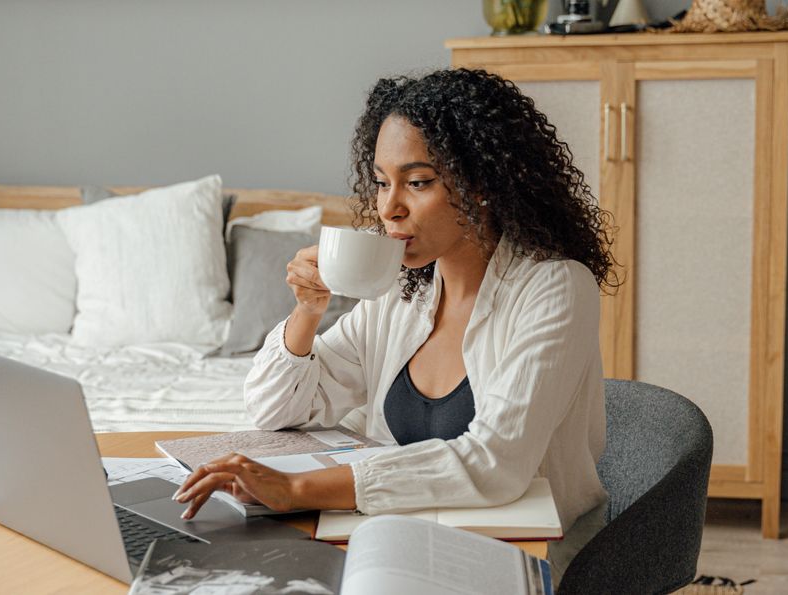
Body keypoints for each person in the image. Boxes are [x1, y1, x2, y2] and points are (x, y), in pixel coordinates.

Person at [174, 68, 619, 584]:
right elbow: (276, 409)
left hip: (517, 551)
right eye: (383, 182)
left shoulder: (555, 288)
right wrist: (308, 310)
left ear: (482, 186)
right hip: (399, 535)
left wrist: (296, 490)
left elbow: (496, 464)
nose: (389, 208)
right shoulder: (401, 295)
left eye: (418, 182)